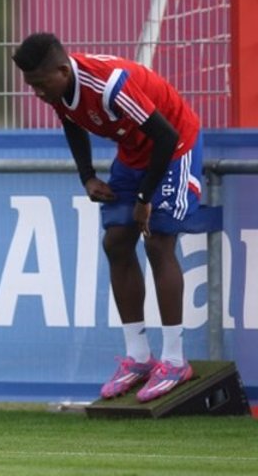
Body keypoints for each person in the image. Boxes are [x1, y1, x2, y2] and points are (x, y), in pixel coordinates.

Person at [12, 33, 202, 402]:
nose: (37, 93)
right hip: (134, 154)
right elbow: (71, 121)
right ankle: (139, 357)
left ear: (63, 71)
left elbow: (165, 136)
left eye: (40, 84)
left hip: (176, 147)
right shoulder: (59, 89)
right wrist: (87, 176)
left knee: (158, 242)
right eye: (31, 85)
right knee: (115, 243)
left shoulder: (110, 85)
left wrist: (144, 199)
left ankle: (175, 360)